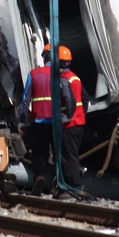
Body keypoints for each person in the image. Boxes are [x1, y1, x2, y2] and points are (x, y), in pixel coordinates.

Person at [19, 44, 73, 194]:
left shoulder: (33, 74)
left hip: (38, 121)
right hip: (56, 122)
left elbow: (25, 100)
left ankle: (40, 176)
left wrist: (22, 121)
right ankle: (60, 184)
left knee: (38, 153)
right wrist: (68, 116)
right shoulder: (60, 75)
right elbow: (68, 97)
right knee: (58, 153)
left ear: (44, 57)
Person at [57, 46, 90, 192]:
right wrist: (81, 114)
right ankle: (75, 180)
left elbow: (68, 97)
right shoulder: (75, 77)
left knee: (68, 156)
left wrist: (68, 116)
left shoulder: (63, 79)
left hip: (69, 125)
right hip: (79, 123)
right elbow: (85, 98)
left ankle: (74, 187)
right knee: (73, 155)